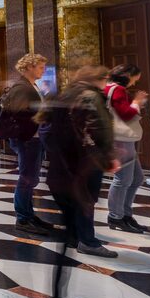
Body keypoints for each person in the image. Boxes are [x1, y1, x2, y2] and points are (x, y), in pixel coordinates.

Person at [42, 65, 120, 258]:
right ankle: (88, 241)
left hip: (64, 155)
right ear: (99, 79)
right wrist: (108, 156)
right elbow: (99, 128)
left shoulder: (66, 94)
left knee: (73, 197)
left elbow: (47, 122)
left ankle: (75, 236)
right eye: (106, 80)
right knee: (85, 199)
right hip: (85, 157)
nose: (107, 84)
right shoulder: (91, 96)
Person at [0, 53, 53, 236]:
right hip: (27, 139)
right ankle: (22, 218)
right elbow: (17, 114)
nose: (43, 70)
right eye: (40, 67)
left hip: (33, 138)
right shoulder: (22, 87)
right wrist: (38, 118)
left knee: (31, 178)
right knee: (26, 178)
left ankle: (29, 215)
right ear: (29, 67)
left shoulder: (30, 85)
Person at [105, 65, 147, 233]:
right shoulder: (118, 90)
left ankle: (125, 214)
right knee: (123, 179)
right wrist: (136, 102)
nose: (135, 82)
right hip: (121, 139)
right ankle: (116, 216)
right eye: (135, 78)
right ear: (128, 75)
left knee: (137, 178)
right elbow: (126, 114)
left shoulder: (110, 88)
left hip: (122, 138)